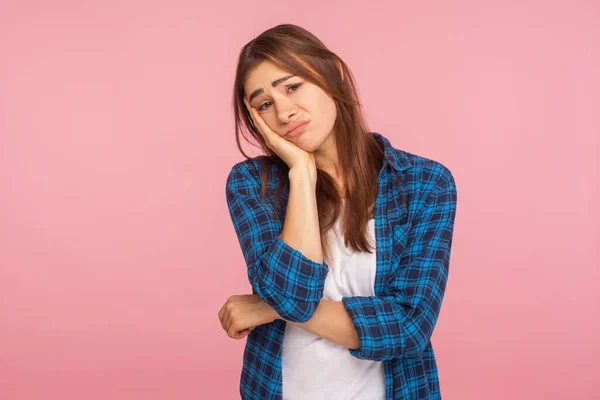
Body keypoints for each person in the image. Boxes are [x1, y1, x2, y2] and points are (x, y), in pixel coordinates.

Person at [218, 23, 458, 400]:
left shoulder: (424, 183)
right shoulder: (253, 184)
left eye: (292, 86)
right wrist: (301, 172)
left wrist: (268, 310)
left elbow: (410, 326)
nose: (283, 111)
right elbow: (292, 296)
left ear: (332, 76)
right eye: (264, 104)